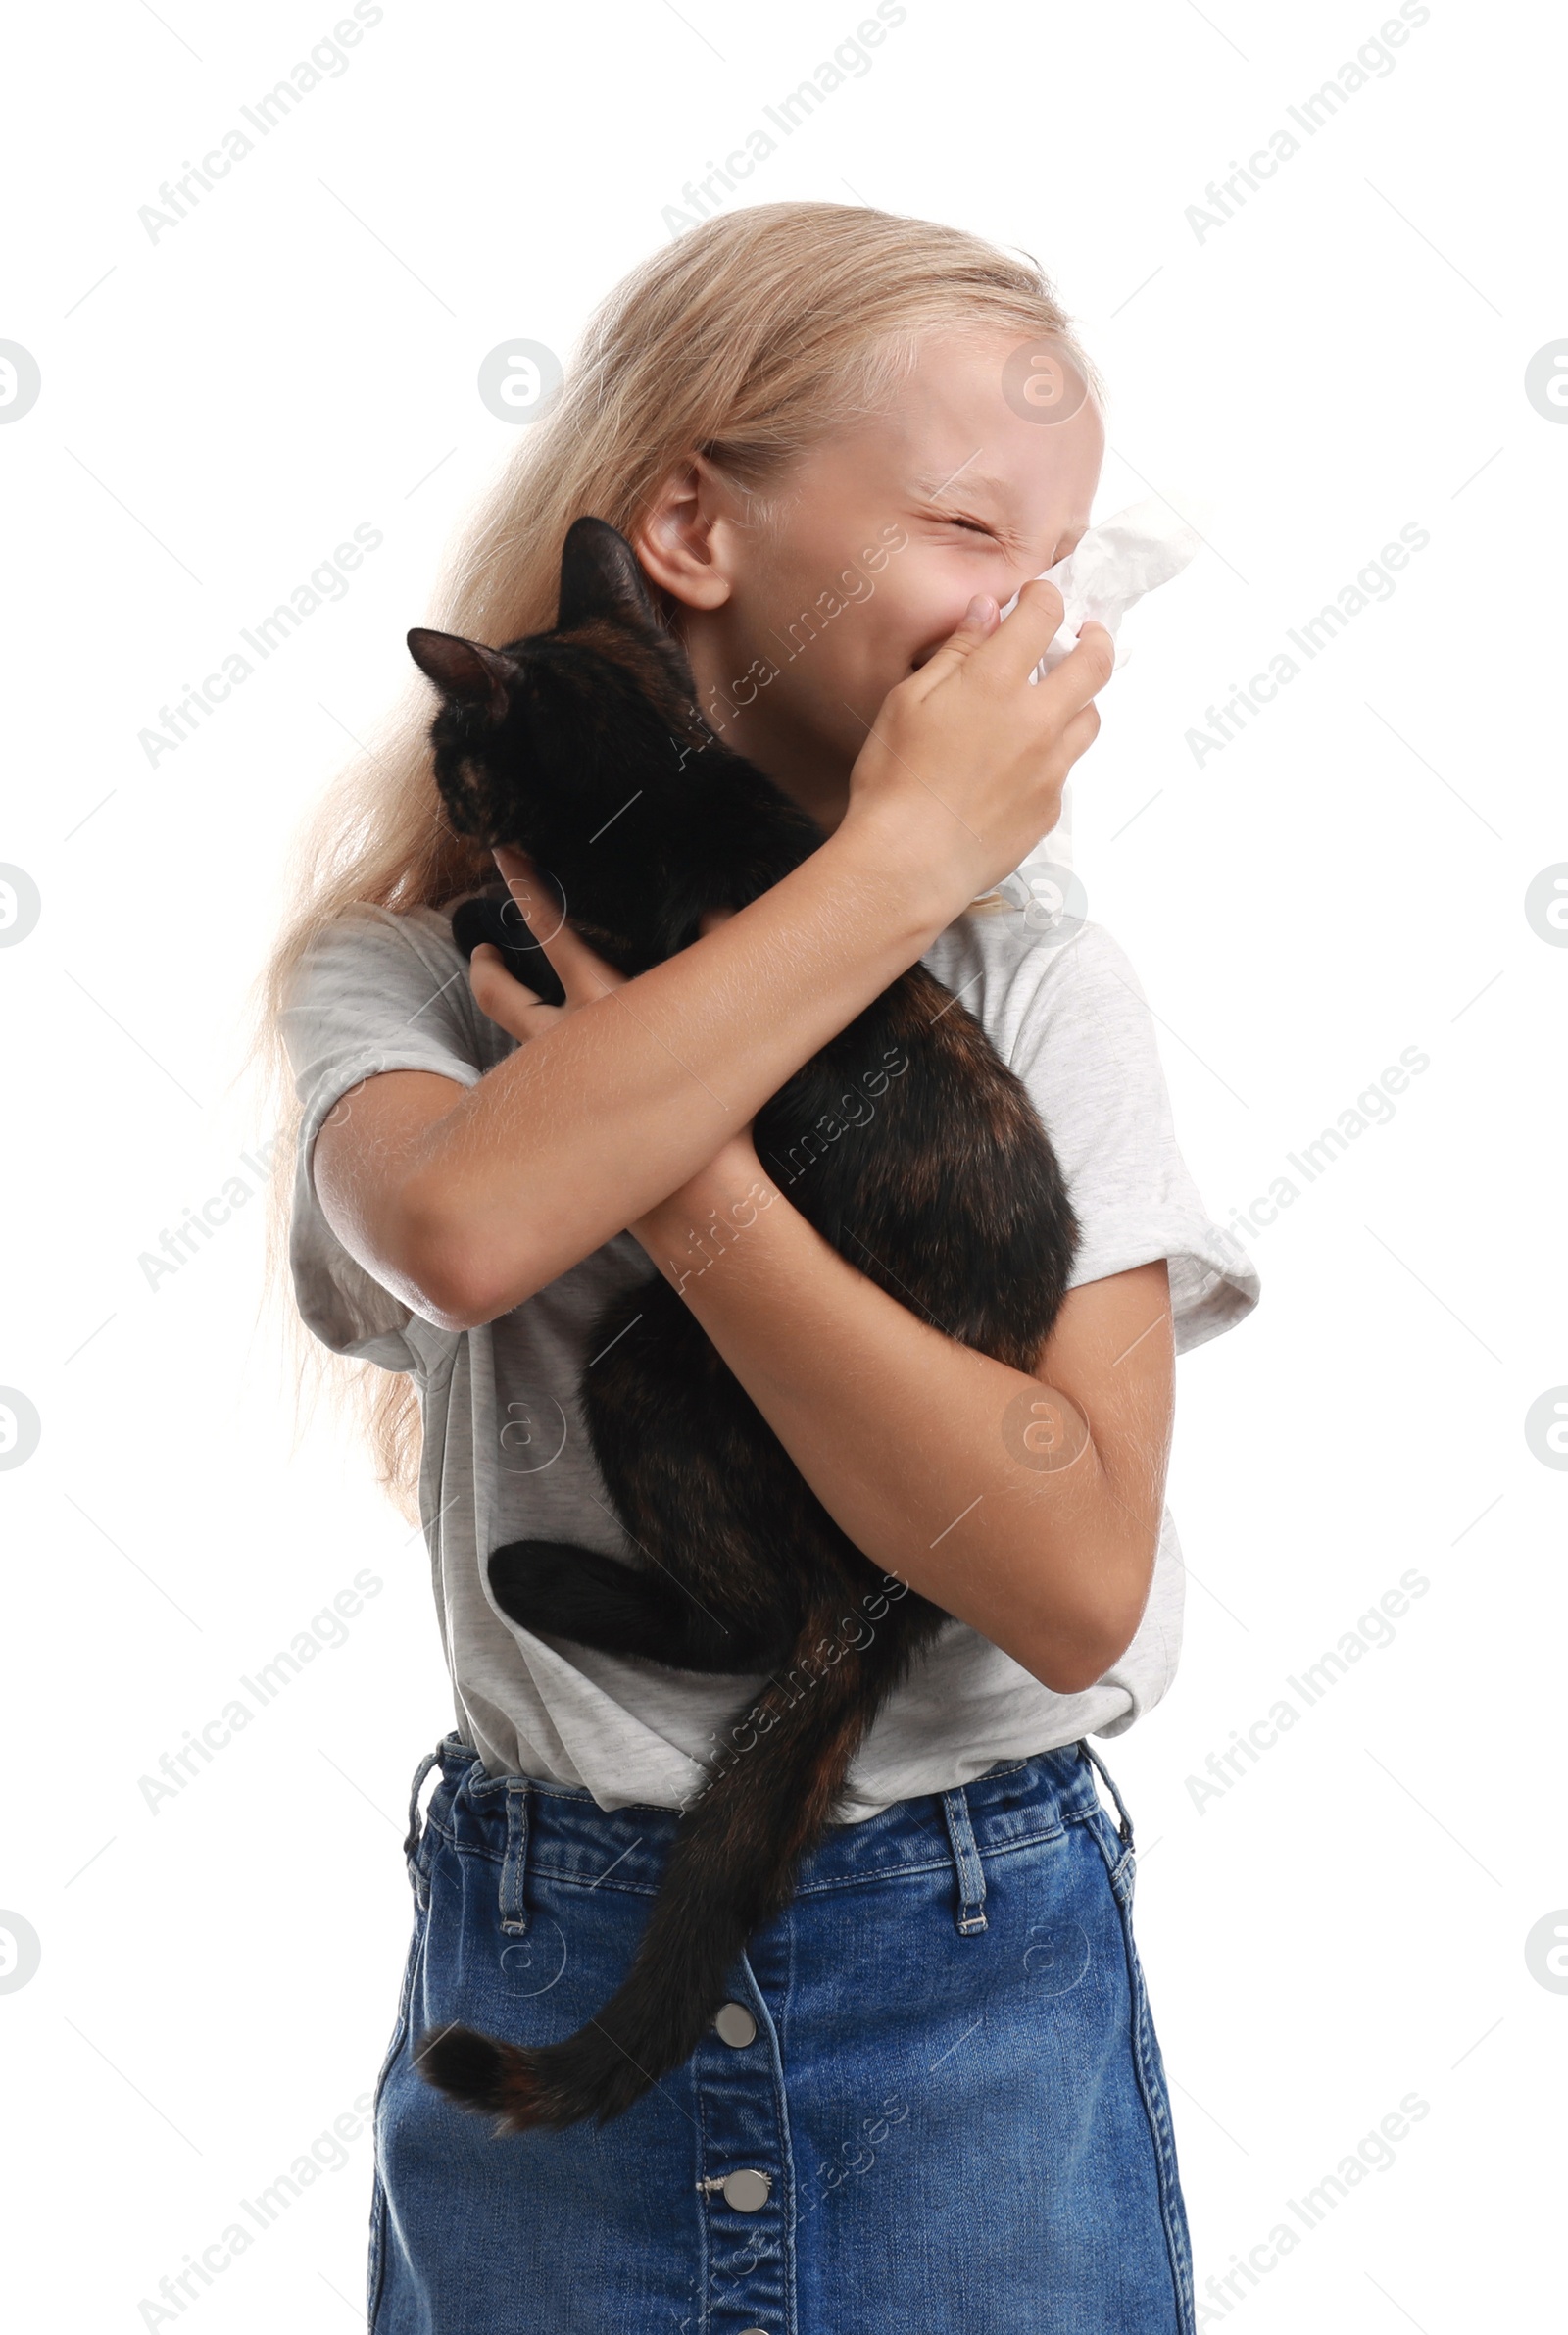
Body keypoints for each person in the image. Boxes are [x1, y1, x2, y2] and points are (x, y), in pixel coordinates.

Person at [260, 199, 1260, 2334]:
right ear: (692, 532)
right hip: (560, 1938)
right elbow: (459, 1225)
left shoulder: (1030, 974)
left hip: (960, 1963)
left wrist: (717, 1151)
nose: (1024, 612)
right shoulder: (403, 990)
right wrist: (889, 858)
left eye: (1054, 562)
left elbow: (1074, 1577)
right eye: (968, 528)